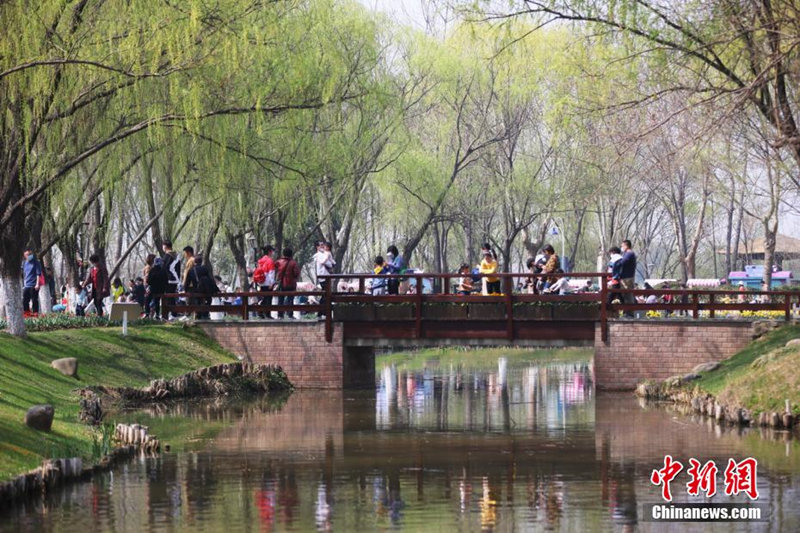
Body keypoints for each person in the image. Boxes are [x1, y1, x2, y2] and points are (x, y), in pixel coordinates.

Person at [274, 248, 300, 318]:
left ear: (283, 254)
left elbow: (275, 270)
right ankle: (290, 314)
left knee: (280, 300)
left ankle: (280, 315)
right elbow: (296, 273)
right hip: (291, 284)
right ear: (291, 254)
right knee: (290, 299)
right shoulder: (293, 263)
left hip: (281, 283)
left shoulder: (278, 262)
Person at [253, 245, 276, 318]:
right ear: (269, 251)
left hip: (261, 282)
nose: (272, 252)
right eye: (272, 251)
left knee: (265, 298)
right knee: (268, 299)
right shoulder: (270, 261)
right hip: (268, 283)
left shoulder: (260, 261)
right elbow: (271, 273)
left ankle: (262, 312)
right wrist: (271, 283)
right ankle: (266, 313)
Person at [313, 241, 335, 317]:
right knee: (326, 294)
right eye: (321, 245)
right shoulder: (320, 255)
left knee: (325, 294)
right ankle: (322, 311)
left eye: (323, 245)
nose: (323, 247)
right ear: (317, 247)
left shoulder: (323, 254)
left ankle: (322, 311)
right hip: (324, 276)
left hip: (325, 276)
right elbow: (329, 264)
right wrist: (330, 263)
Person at [617, 240, 637, 316]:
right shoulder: (627, 254)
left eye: (622, 246)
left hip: (627, 278)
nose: (621, 248)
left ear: (626, 246)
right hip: (625, 278)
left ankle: (629, 314)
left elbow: (622, 263)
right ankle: (627, 312)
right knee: (625, 295)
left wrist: (616, 263)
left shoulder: (629, 254)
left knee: (628, 295)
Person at [162, 240, 181, 318]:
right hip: (176, 279)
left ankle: (172, 314)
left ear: (165, 246)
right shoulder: (176, 256)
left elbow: (164, 268)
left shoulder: (167, 256)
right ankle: (173, 313)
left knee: (169, 297)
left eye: (162, 246)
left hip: (169, 279)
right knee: (172, 296)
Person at [21, 248, 43, 314]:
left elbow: (38, 274)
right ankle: (27, 313)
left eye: (30, 254)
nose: (29, 256)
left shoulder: (36, 262)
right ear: (24, 255)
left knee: (34, 300)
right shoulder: (24, 263)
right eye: (27, 254)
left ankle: (35, 313)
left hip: (34, 285)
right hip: (26, 285)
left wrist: (37, 284)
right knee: (25, 300)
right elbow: (23, 273)